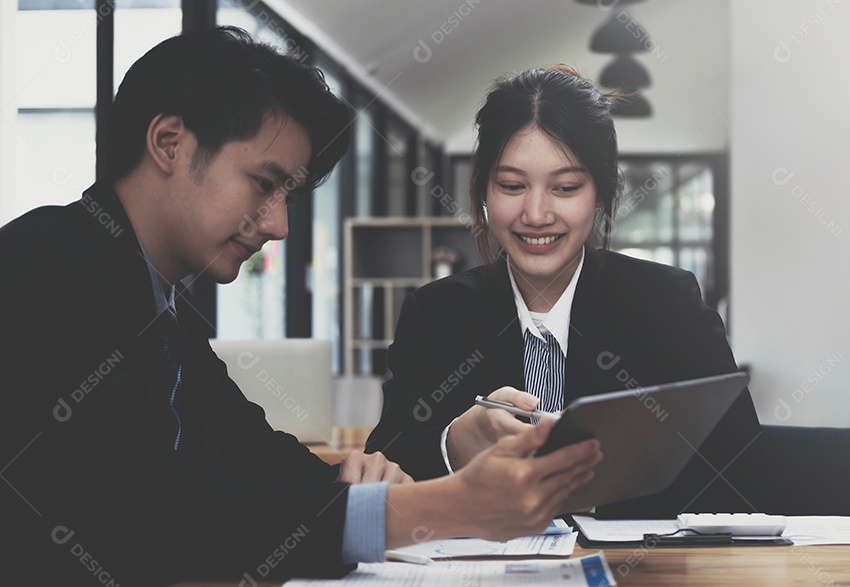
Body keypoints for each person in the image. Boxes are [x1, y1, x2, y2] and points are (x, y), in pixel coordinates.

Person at [0, 29, 600, 586]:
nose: (279, 225)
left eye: (288, 195)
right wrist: (444, 504)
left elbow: (262, 461)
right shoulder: (36, 273)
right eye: (264, 184)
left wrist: (364, 487)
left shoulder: (160, 311)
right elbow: (146, 516)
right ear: (169, 143)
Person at [366, 66, 781, 518]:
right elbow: (384, 468)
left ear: (600, 192)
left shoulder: (669, 304)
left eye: (565, 188)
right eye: (511, 186)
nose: (537, 214)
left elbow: (746, 480)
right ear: (484, 189)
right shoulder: (435, 313)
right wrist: (456, 443)